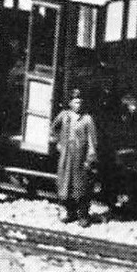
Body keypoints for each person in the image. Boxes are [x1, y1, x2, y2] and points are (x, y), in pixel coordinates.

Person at [51, 89, 100, 225]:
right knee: (65, 185)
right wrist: (58, 143)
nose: (78, 105)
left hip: (80, 157)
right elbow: (53, 129)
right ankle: (69, 212)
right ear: (70, 103)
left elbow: (92, 141)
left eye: (80, 102)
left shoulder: (87, 119)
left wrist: (90, 159)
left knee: (81, 186)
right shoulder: (64, 115)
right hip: (66, 156)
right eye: (75, 102)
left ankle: (83, 215)